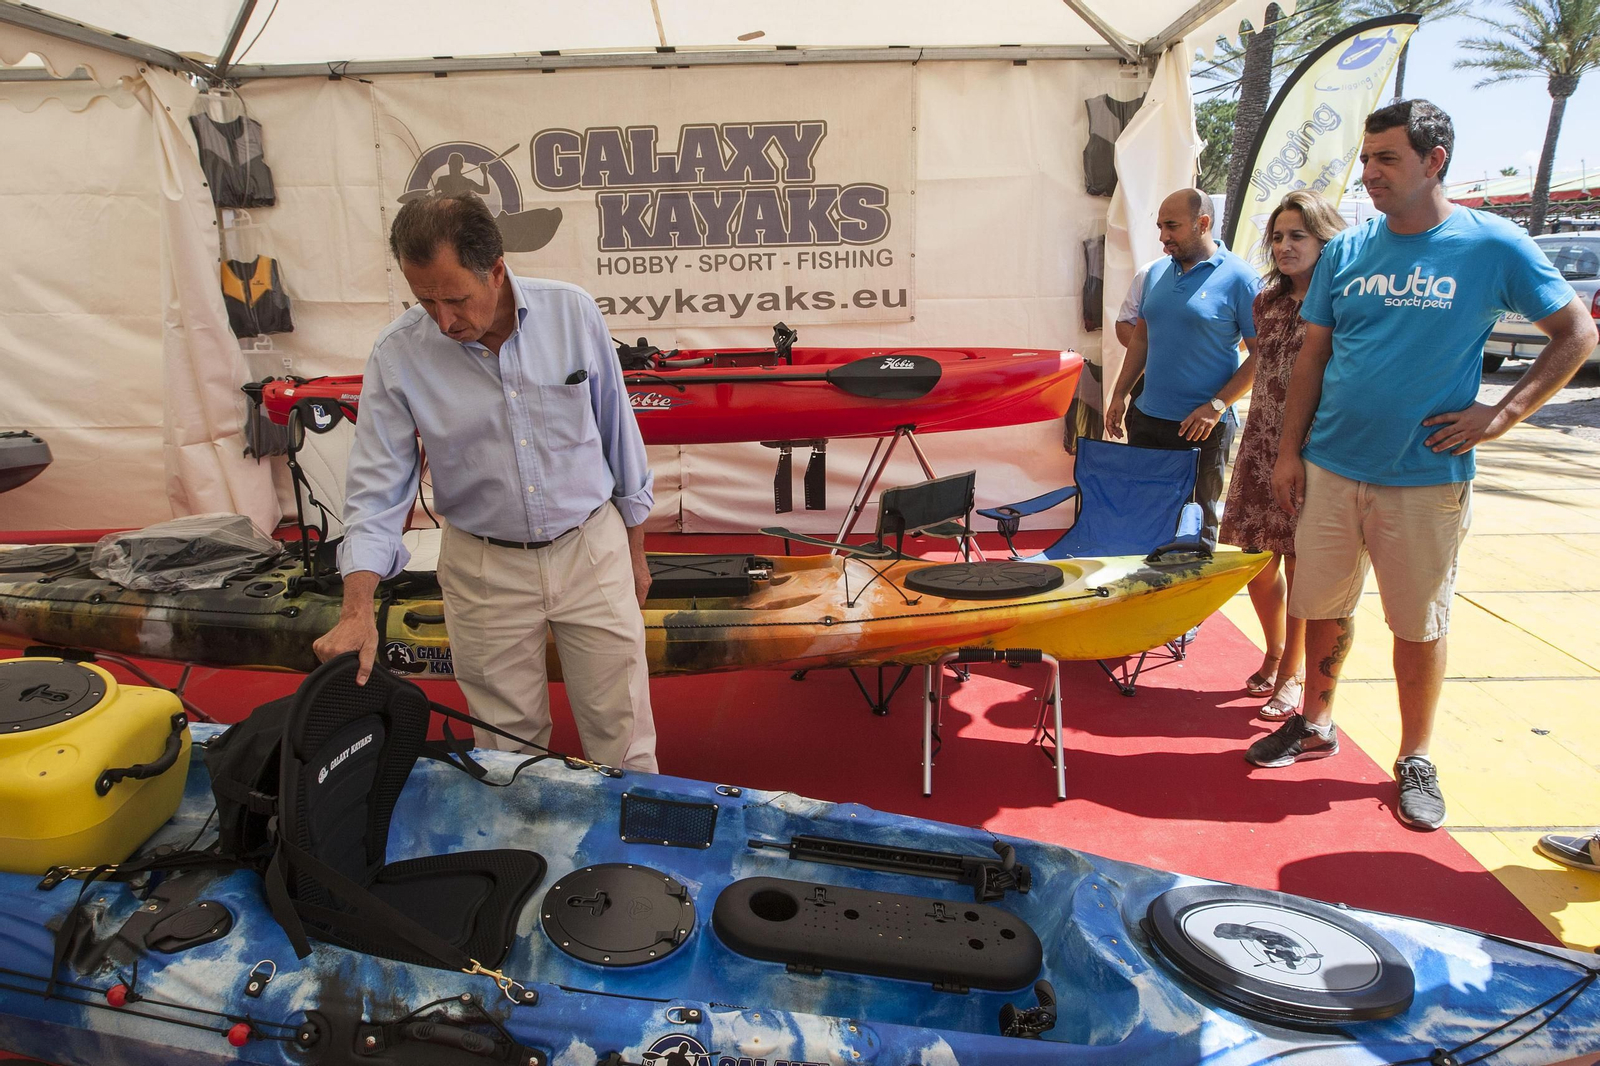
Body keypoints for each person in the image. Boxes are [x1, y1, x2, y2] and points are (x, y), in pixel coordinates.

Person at [1253, 100, 1596, 829]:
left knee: (1419, 622)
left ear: (1434, 161)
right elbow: (1312, 358)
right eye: (1367, 158)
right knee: (1323, 606)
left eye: (1387, 159)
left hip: (1425, 478)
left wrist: (1501, 415)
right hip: (1331, 468)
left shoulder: (1492, 245)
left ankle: (1416, 755)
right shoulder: (1348, 250)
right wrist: (1288, 452)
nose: (1370, 174)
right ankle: (1316, 721)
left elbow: (1576, 333)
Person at [313, 192, 659, 772]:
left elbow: (618, 435)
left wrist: (636, 551)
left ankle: (635, 854)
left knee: (622, 727)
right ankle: (523, 855)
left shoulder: (572, 312)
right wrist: (356, 608)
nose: (444, 320)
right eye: (425, 301)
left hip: (591, 547)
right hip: (482, 566)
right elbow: (376, 489)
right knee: (506, 744)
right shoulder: (398, 354)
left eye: (455, 298)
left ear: (496, 270)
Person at [1220, 190, 1346, 719]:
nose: (1285, 246)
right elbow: (1258, 366)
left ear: (1324, 238)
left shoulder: (1343, 301)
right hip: (1259, 444)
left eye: (1298, 235)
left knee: (1301, 567)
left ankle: (1292, 674)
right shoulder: (1266, 301)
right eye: (1277, 236)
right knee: (1253, 561)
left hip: (1313, 448)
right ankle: (1272, 649)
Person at [1106, 189, 1261, 550]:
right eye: (1160, 227)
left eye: (1171, 226)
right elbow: (1142, 339)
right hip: (1147, 420)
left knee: (1194, 527)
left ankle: (1189, 602)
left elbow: (1262, 355)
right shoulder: (1157, 273)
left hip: (1201, 428)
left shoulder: (1241, 279)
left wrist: (1217, 407)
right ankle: (1145, 596)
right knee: (1146, 515)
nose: (1163, 236)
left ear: (1202, 223)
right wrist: (1119, 393)